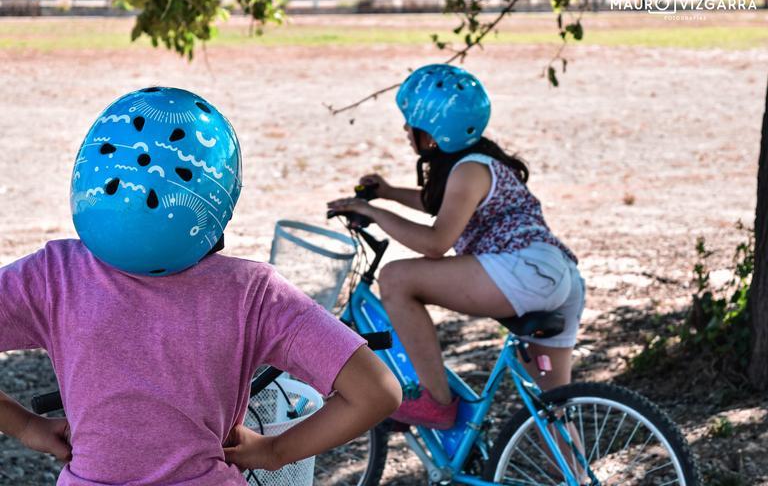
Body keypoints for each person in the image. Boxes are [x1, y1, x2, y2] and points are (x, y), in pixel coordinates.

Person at [0, 87, 401, 484]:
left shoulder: (54, 275)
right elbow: (378, 391)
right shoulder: (253, 294)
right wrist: (274, 452)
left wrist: (26, 427)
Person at [328, 65, 585, 430]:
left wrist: (373, 212)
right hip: (556, 275)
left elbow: (436, 243)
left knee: (396, 278)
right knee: (553, 410)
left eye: (412, 123)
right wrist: (388, 192)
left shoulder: (468, 171)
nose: (406, 130)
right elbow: (444, 206)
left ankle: (436, 401)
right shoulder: (476, 164)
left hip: (524, 271)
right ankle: (571, 464)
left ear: (435, 132)